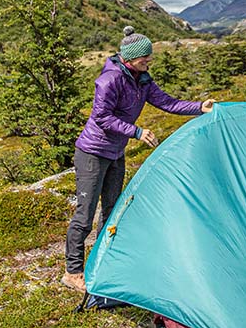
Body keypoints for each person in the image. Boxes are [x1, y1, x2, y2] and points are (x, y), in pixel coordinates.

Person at [62, 27, 215, 292]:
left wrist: (198, 107)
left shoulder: (141, 79)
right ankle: (72, 271)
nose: (149, 61)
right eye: (145, 58)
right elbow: (102, 117)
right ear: (130, 58)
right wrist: (136, 131)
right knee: (84, 215)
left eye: (149, 57)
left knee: (112, 210)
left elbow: (166, 102)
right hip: (93, 153)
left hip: (115, 153)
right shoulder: (109, 80)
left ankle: (102, 260)